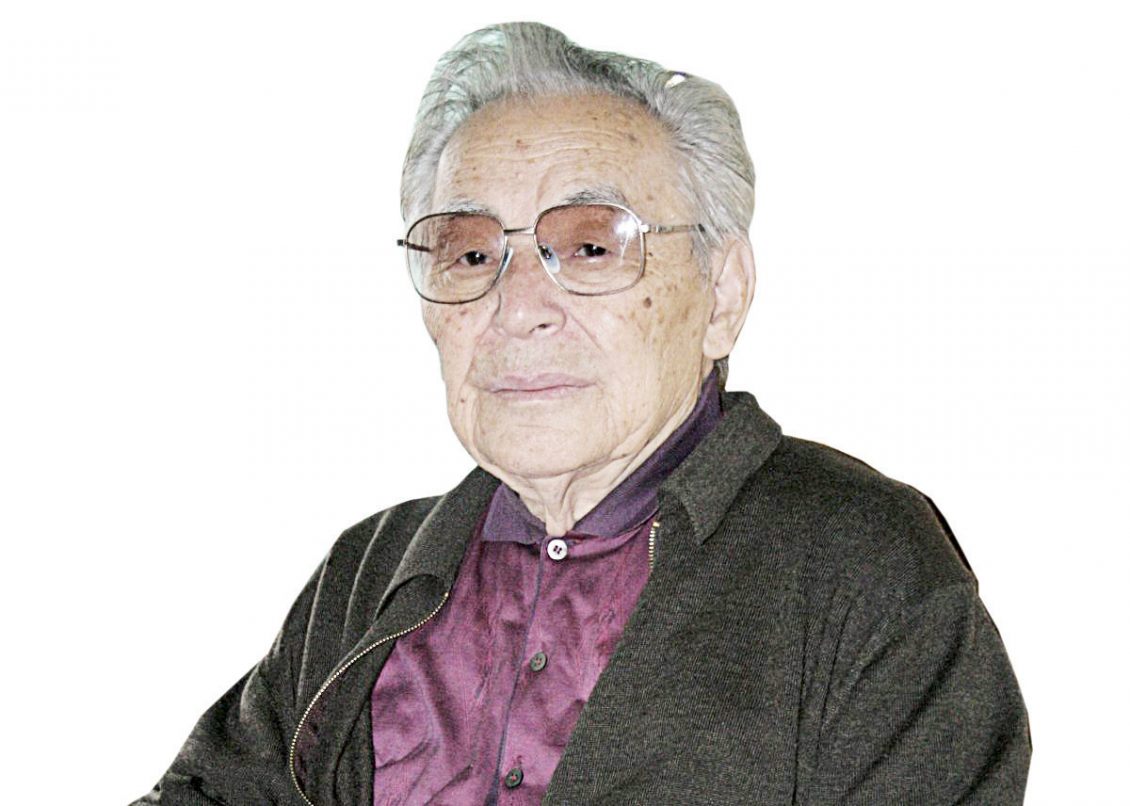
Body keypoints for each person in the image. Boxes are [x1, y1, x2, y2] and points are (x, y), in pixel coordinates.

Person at [134, 21, 1030, 806]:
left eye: (591, 246)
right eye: (470, 254)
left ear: (722, 294)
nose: (517, 306)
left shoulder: (864, 567)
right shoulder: (371, 572)